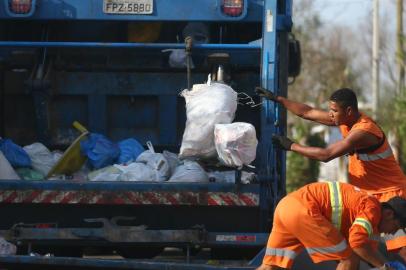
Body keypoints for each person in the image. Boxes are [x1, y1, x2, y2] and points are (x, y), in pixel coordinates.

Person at [256, 87, 406, 256]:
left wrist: (291, 146)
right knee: (359, 246)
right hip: (369, 195)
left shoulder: (363, 131)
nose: (331, 114)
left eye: (334, 111)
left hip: (391, 193)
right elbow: (308, 112)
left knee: (399, 246)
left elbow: (326, 155)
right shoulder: (344, 120)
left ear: (348, 111)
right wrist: (279, 99)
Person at [256, 182, 406, 270]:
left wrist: (385, 264)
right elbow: (357, 243)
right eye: (397, 227)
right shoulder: (372, 208)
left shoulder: (372, 225)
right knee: (349, 260)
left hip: (285, 207)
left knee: (270, 266)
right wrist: (384, 267)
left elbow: (368, 252)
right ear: (389, 214)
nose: (393, 233)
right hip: (304, 211)